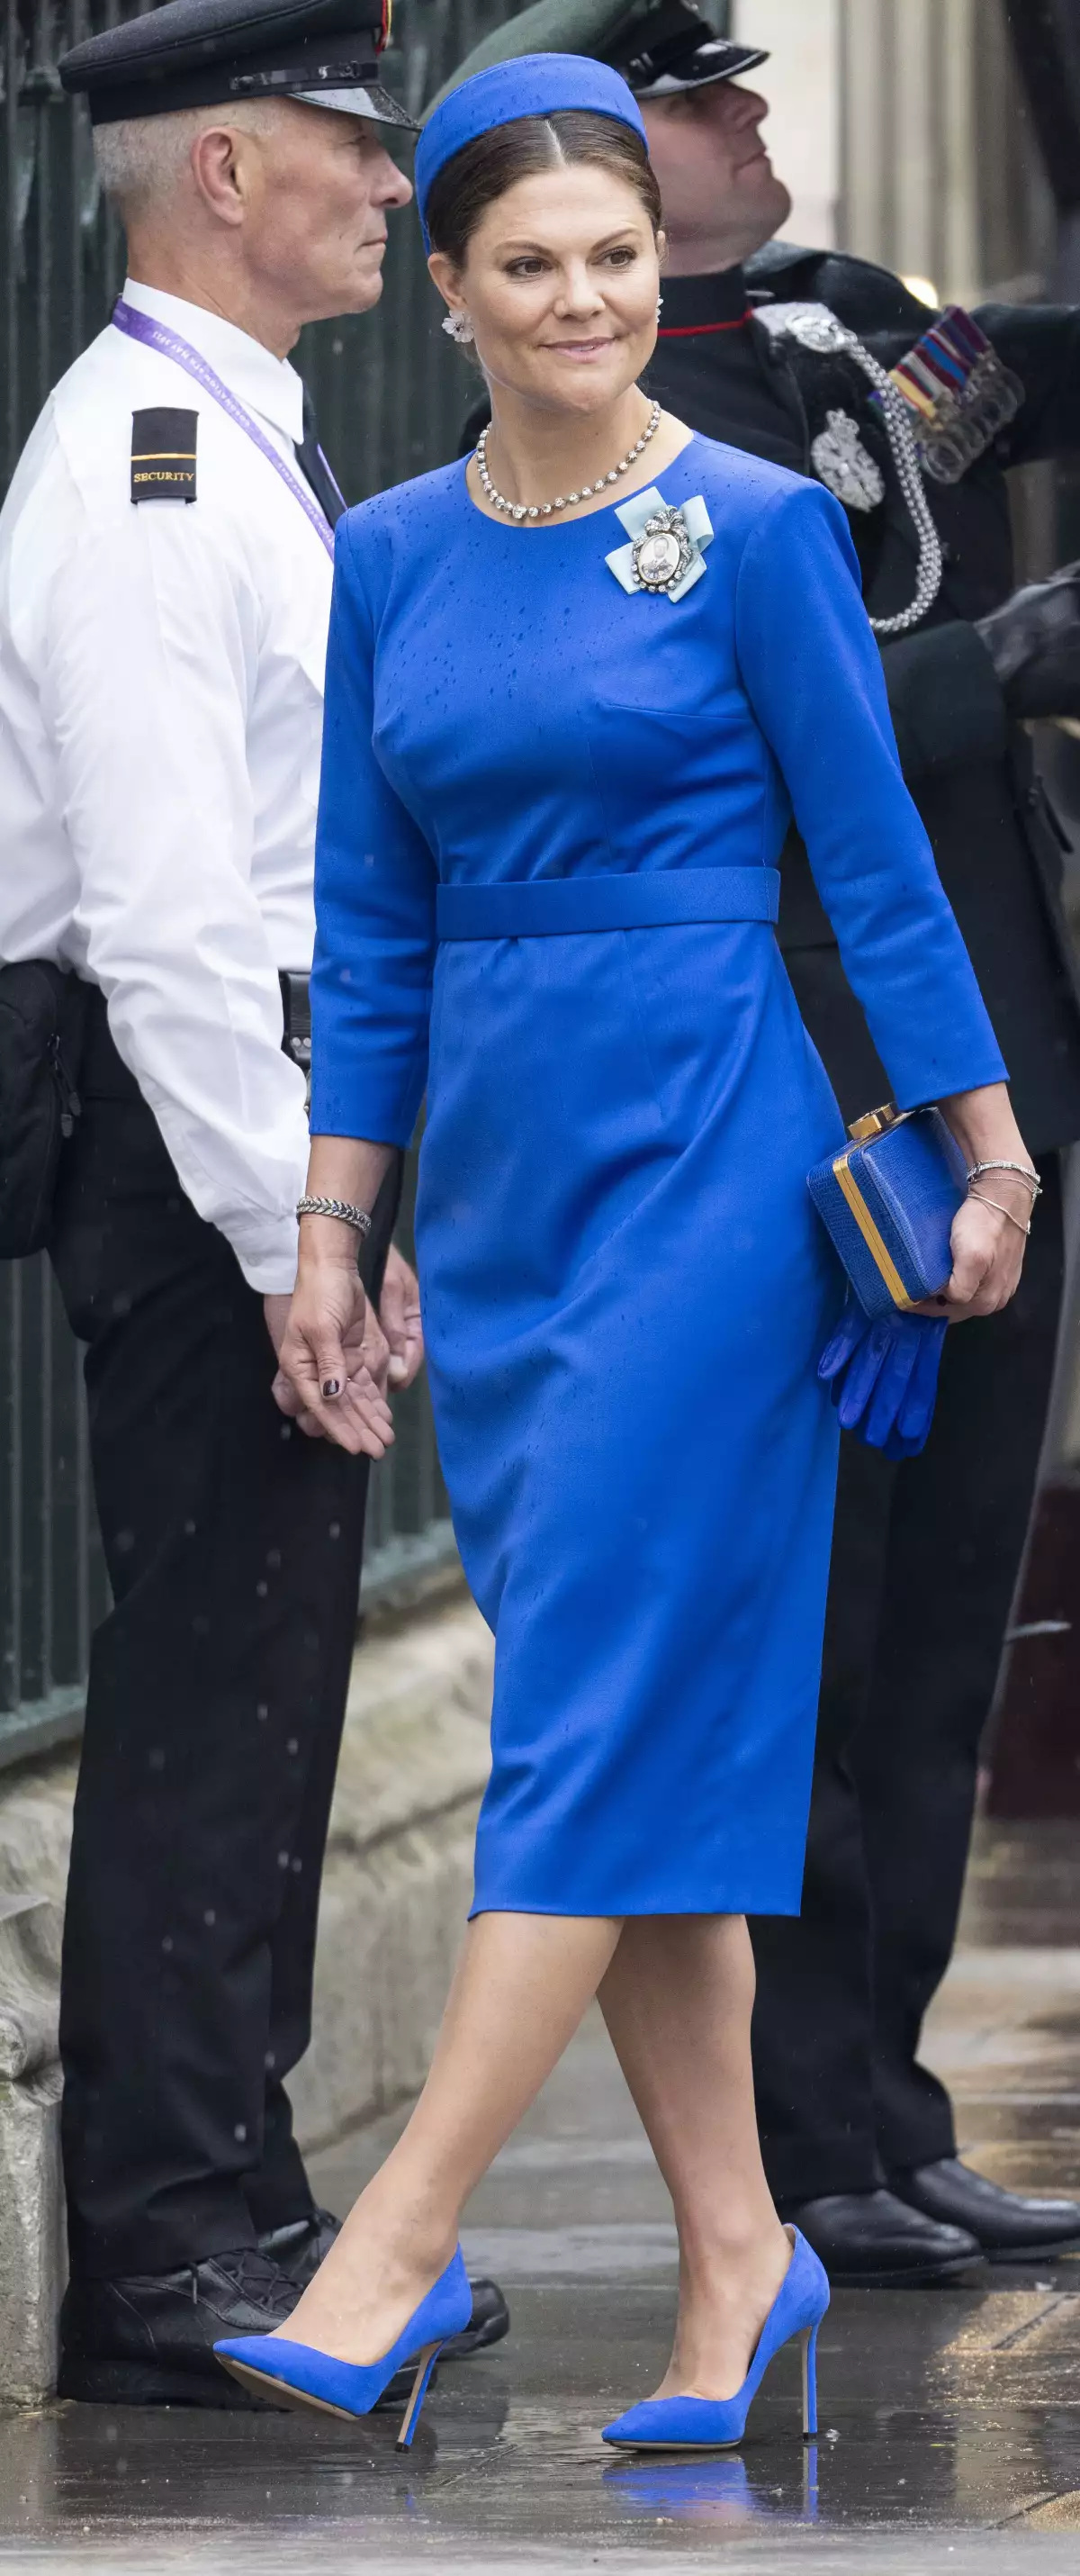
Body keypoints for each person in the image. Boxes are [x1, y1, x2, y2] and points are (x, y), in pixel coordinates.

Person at [211, 54, 1031, 2446]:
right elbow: (373, 928)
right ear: (449, 295)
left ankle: (392, 2236)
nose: (583, 296)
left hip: (711, 1178)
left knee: (572, 1733)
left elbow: (872, 871)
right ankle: (739, 2265)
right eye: (531, 263)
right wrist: (338, 1223)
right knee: (641, 1742)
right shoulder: (386, 560)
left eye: (612, 256)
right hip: (507, 1189)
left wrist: (991, 1155)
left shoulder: (761, 528)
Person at [436, 0, 1080, 2286]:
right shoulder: (620, 426)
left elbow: (1014, 370)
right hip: (808, 1102)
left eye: (735, 86)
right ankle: (803, 2132)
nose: (751, 113)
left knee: (941, 1621)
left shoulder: (841, 333)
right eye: (702, 101)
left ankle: (889, 2102)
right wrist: (1004, 656)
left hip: (990, 1065)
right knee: (812, 1622)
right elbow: (783, 683)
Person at [0, 0, 506, 2406]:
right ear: (222, 169)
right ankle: (172, 2254)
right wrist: (281, 1228)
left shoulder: (241, 445)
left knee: (280, 1677)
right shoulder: (152, 467)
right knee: (211, 1687)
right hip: (201, 1143)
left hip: (269, 1146)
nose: (387, 190)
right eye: (349, 146)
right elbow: (181, 920)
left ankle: (256, 2203)